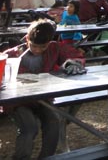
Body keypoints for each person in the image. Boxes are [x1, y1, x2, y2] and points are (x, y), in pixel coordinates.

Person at [8, 19, 85, 159]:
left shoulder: (54, 48)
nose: (37, 50)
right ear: (27, 39)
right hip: (19, 102)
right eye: (34, 46)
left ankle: (46, 157)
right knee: (29, 128)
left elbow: (73, 55)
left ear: (49, 42)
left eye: (42, 47)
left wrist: (73, 63)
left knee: (54, 122)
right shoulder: (15, 54)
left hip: (43, 98)